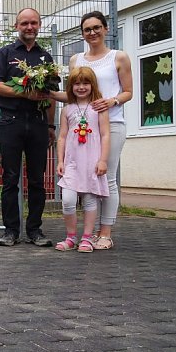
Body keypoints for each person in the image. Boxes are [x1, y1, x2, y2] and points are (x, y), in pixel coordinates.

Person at [53, 11, 132, 250]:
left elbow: (128, 91)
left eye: (97, 27)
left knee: (106, 179)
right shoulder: (77, 59)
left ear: (106, 29)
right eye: (87, 29)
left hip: (111, 124)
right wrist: (45, 94)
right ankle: (85, 234)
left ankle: (104, 232)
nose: (93, 32)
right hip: (81, 129)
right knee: (81, 182)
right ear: (83, 33)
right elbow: (72, 93)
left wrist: (112, 101)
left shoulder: (118, 57)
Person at [0, 7, 57, 247]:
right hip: (11, 122)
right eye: (25, 23)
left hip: (38, 124)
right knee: (10, 178)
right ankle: (11, 231)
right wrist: (26, 94)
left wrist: (51, 125)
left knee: (37, 179)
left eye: (34, 23)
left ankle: (35, 230)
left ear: (39, 25)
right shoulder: (4, 54)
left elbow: (50, 94)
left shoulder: (46, 58)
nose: (30, 27)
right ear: (16, 26)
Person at [55, 67, 110, 253]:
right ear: (71, 86)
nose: (81, 87)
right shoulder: (67, 110)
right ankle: (71, 237)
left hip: (91, 162)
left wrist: (103, 160)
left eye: (85, 83)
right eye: (77, 83)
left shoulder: (99, 107)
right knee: (68, 200)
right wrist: (60, 161)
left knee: (89, 200)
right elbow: (62, 136)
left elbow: (105, 135)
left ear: (92, 85)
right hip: (72, 163)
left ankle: (87, 238)